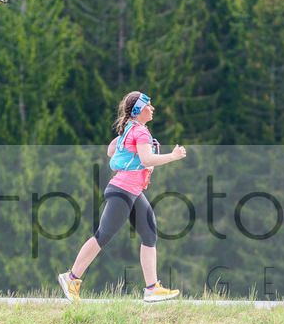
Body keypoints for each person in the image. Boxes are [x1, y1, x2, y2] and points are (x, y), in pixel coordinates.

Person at [58, 91, 187, 303]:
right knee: (103, 235)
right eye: (149, 105)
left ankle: (152, 288)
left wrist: (130, 149)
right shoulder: (140, 132)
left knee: (149, 234)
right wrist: (173, 156)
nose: (152, 109)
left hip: (131, 191)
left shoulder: (129, 129)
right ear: (138, 110)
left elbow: (112, 151)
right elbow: (146, 159)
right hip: (123, 191)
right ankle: (71, 278)